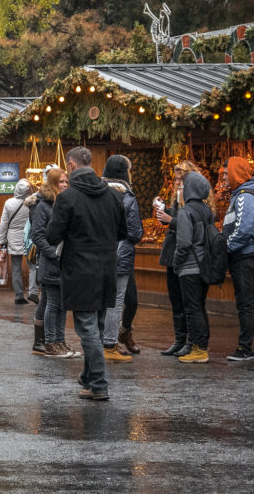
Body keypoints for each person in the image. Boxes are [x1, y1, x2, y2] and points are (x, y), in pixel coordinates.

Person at [46, 147, 126, 401]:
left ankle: (99, 381)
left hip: (79, 269)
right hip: (106, 268)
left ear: (70, 166)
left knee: (87, 329)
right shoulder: (114, 196)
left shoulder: (68, 198)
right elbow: (123, 232)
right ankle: (89, 378)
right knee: (98, 326)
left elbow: (52, 235)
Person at [222, 157, 254, 361]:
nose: (224, 177)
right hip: (245, 255)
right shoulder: (241, 195)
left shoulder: (244, 197)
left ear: (236, 173)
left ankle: (244, 348)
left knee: (246, 304)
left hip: (243, 256)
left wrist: (225, 248)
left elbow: (244, 230)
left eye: (227, 173)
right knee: (252, 302)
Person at [27, 166, 78, 358]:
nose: (64, 185)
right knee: (53, 303)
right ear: (53, 184)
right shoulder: (44, 206)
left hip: (64, 262)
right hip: (51, 262)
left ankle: (59, 341)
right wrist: (53, 253)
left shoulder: (65, 203)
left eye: (66, 182)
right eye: (61, 182)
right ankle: (50, 342)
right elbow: (37, 235)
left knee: (62, 304)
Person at [101, 155, 143, 362]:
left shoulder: (96, 192)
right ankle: (109, 344)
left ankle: (103, 342)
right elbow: (135, 233)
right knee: (116, 302)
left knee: (101, 301)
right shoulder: (126, 196)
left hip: (97, 255)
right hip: (121, 256)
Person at [155, 161, 199, 356]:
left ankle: (191, 341)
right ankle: (179, 339)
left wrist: (170, 220)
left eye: (181, 178)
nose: (178, 182)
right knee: (175, 299)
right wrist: (164, 210)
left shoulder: (197, 200)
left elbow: (189, 223)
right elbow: (174, 218)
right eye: (176, 179)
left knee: (188, 300)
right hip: (172, 253)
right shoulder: (177, 196)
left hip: (186, 255)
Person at [173, 171, 214, 364]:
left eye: (183, 185)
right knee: (200, 306)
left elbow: (183, 243)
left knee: (192, 308)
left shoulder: (185, 212)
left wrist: (176, 263)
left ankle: (198, 349)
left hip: (189, 267)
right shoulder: (206, 211)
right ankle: (202, 345)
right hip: (204, 265)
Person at [0, 179, 38, 305]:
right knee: (33, 266)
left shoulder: (9, 203)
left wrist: (2, 240)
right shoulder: (33, 202)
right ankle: (33, 292)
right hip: (29, 236)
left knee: (16, 267)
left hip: (13, 237)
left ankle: (19, 295)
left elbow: (3, 223)